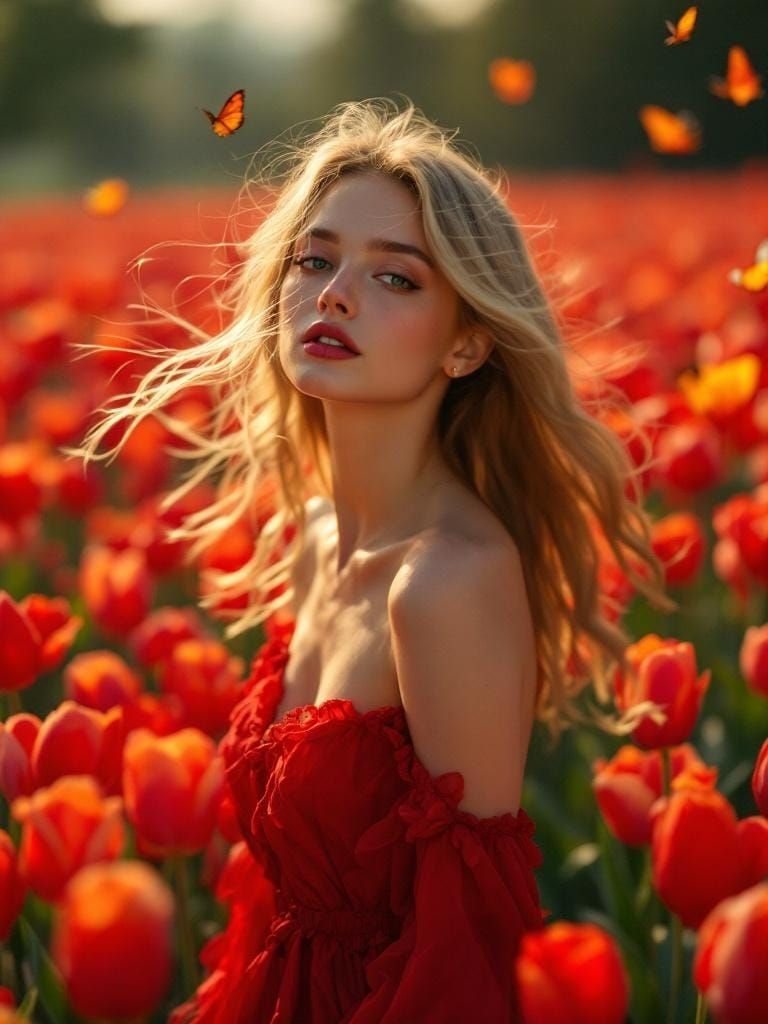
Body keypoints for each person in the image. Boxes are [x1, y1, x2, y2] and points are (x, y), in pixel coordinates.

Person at [72, 96, 675, 1022]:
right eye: (314, 260)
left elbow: (468, 950)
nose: (334, 293)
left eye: (396, 279)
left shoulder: (448, 583)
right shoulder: (316, 537)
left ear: (470, 342)